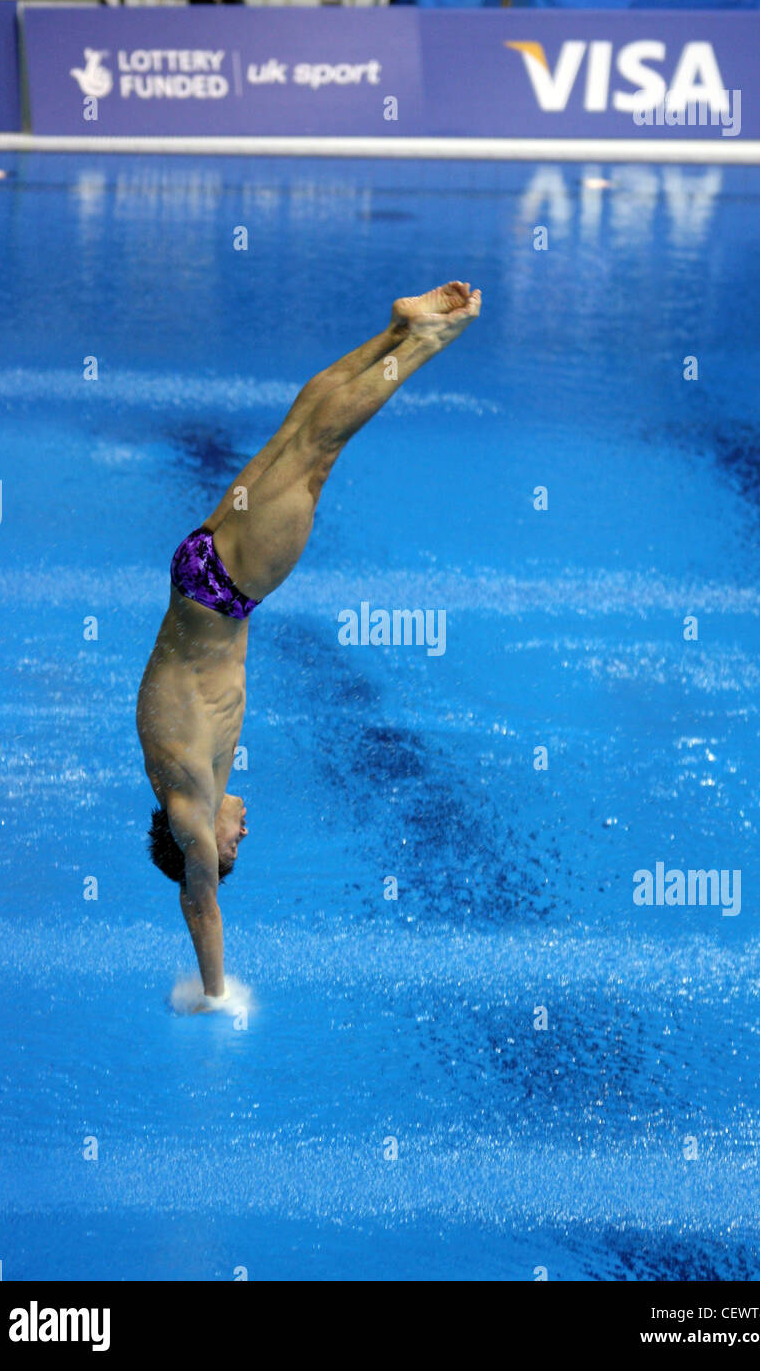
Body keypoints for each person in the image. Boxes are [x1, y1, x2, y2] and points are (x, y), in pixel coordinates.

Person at [136, 282, 481, 1009]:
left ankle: (416, 345)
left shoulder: (189, 807)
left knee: (319, 446)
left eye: (236, 848)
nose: (242, 832)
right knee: (300, 432)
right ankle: (396, 331)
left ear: (201, 848)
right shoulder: (172, 768)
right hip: (198, 566)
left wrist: (215, 993)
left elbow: (199, 904)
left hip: (225, 588)